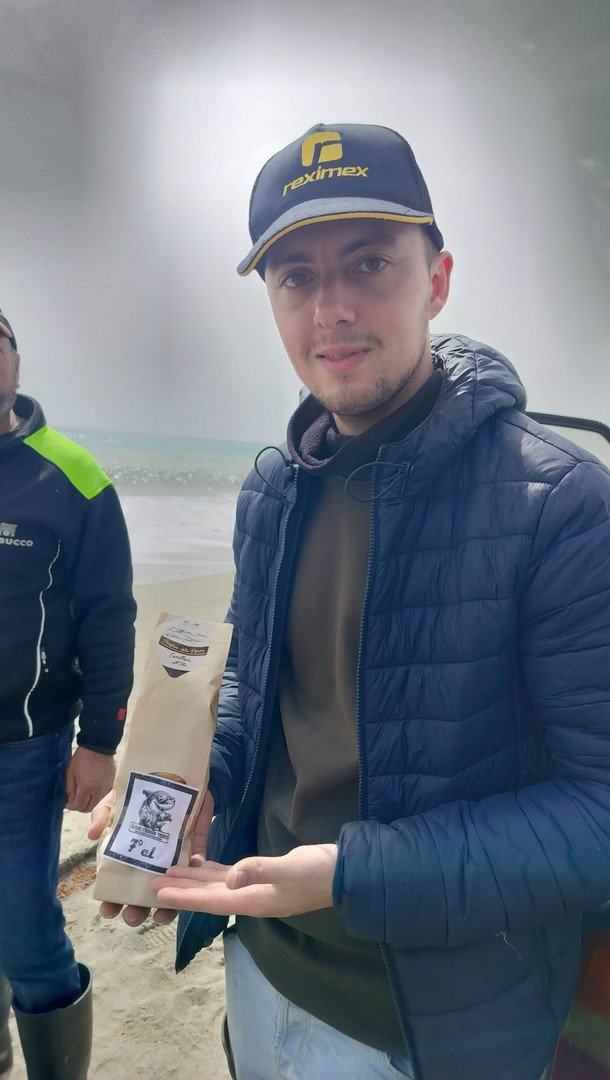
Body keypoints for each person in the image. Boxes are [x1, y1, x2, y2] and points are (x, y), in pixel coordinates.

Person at [92, 124, 610, 1080]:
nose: (331, 308)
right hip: (258, 966)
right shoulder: (272, 492)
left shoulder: (561, 504)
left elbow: (598, 812)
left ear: (437, 280)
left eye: (370, 262)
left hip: (439, 1027)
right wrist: (197, 777)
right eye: (296, 277)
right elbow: (258, 695)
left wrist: (346, 874)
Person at [0, 307, 136, 1080]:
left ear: (16, 361)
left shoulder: (72, 475)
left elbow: (109, 614)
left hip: (26, 748)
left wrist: (100, 742)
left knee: (23, 926)